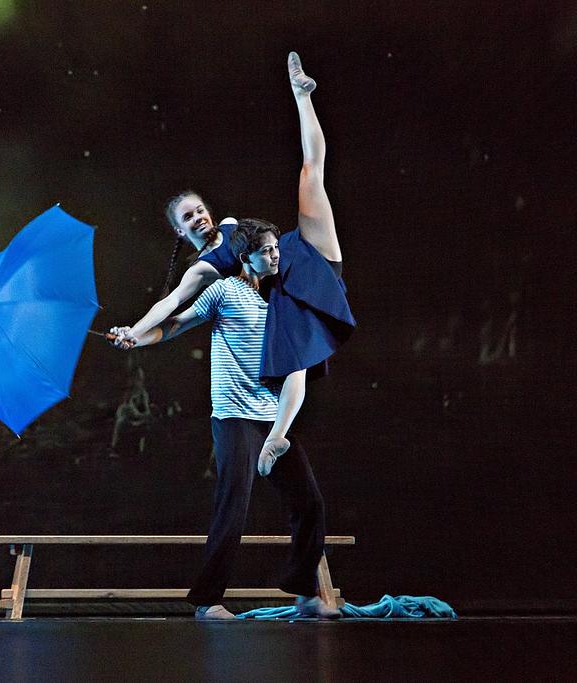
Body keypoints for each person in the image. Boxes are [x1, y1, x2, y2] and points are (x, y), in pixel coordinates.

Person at [109, 52, 354, 476]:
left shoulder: (228, 224)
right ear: (179, 231)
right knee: (293, 359)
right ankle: (277, 437)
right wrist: (134, 332)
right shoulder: (203, 269)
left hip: (296, 257)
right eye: (188, 218)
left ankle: (302, 95)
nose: (199, 218)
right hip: (287, 298)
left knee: (311, 175)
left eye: (199, 209)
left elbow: (256, 239)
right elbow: (171, 309)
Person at [122, 219, 341, 620]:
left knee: (309, 502)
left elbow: (296, 365)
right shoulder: (224, 291)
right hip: (234, 417)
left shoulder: (281, 300)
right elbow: (177, 323)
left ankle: (305, 594)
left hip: (272, 420)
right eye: (266, 251)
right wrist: (137, 336)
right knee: (233, 503)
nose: (275, 256)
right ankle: (207, 601)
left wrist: (278, 433)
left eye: (277, 249)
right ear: (246, 257)